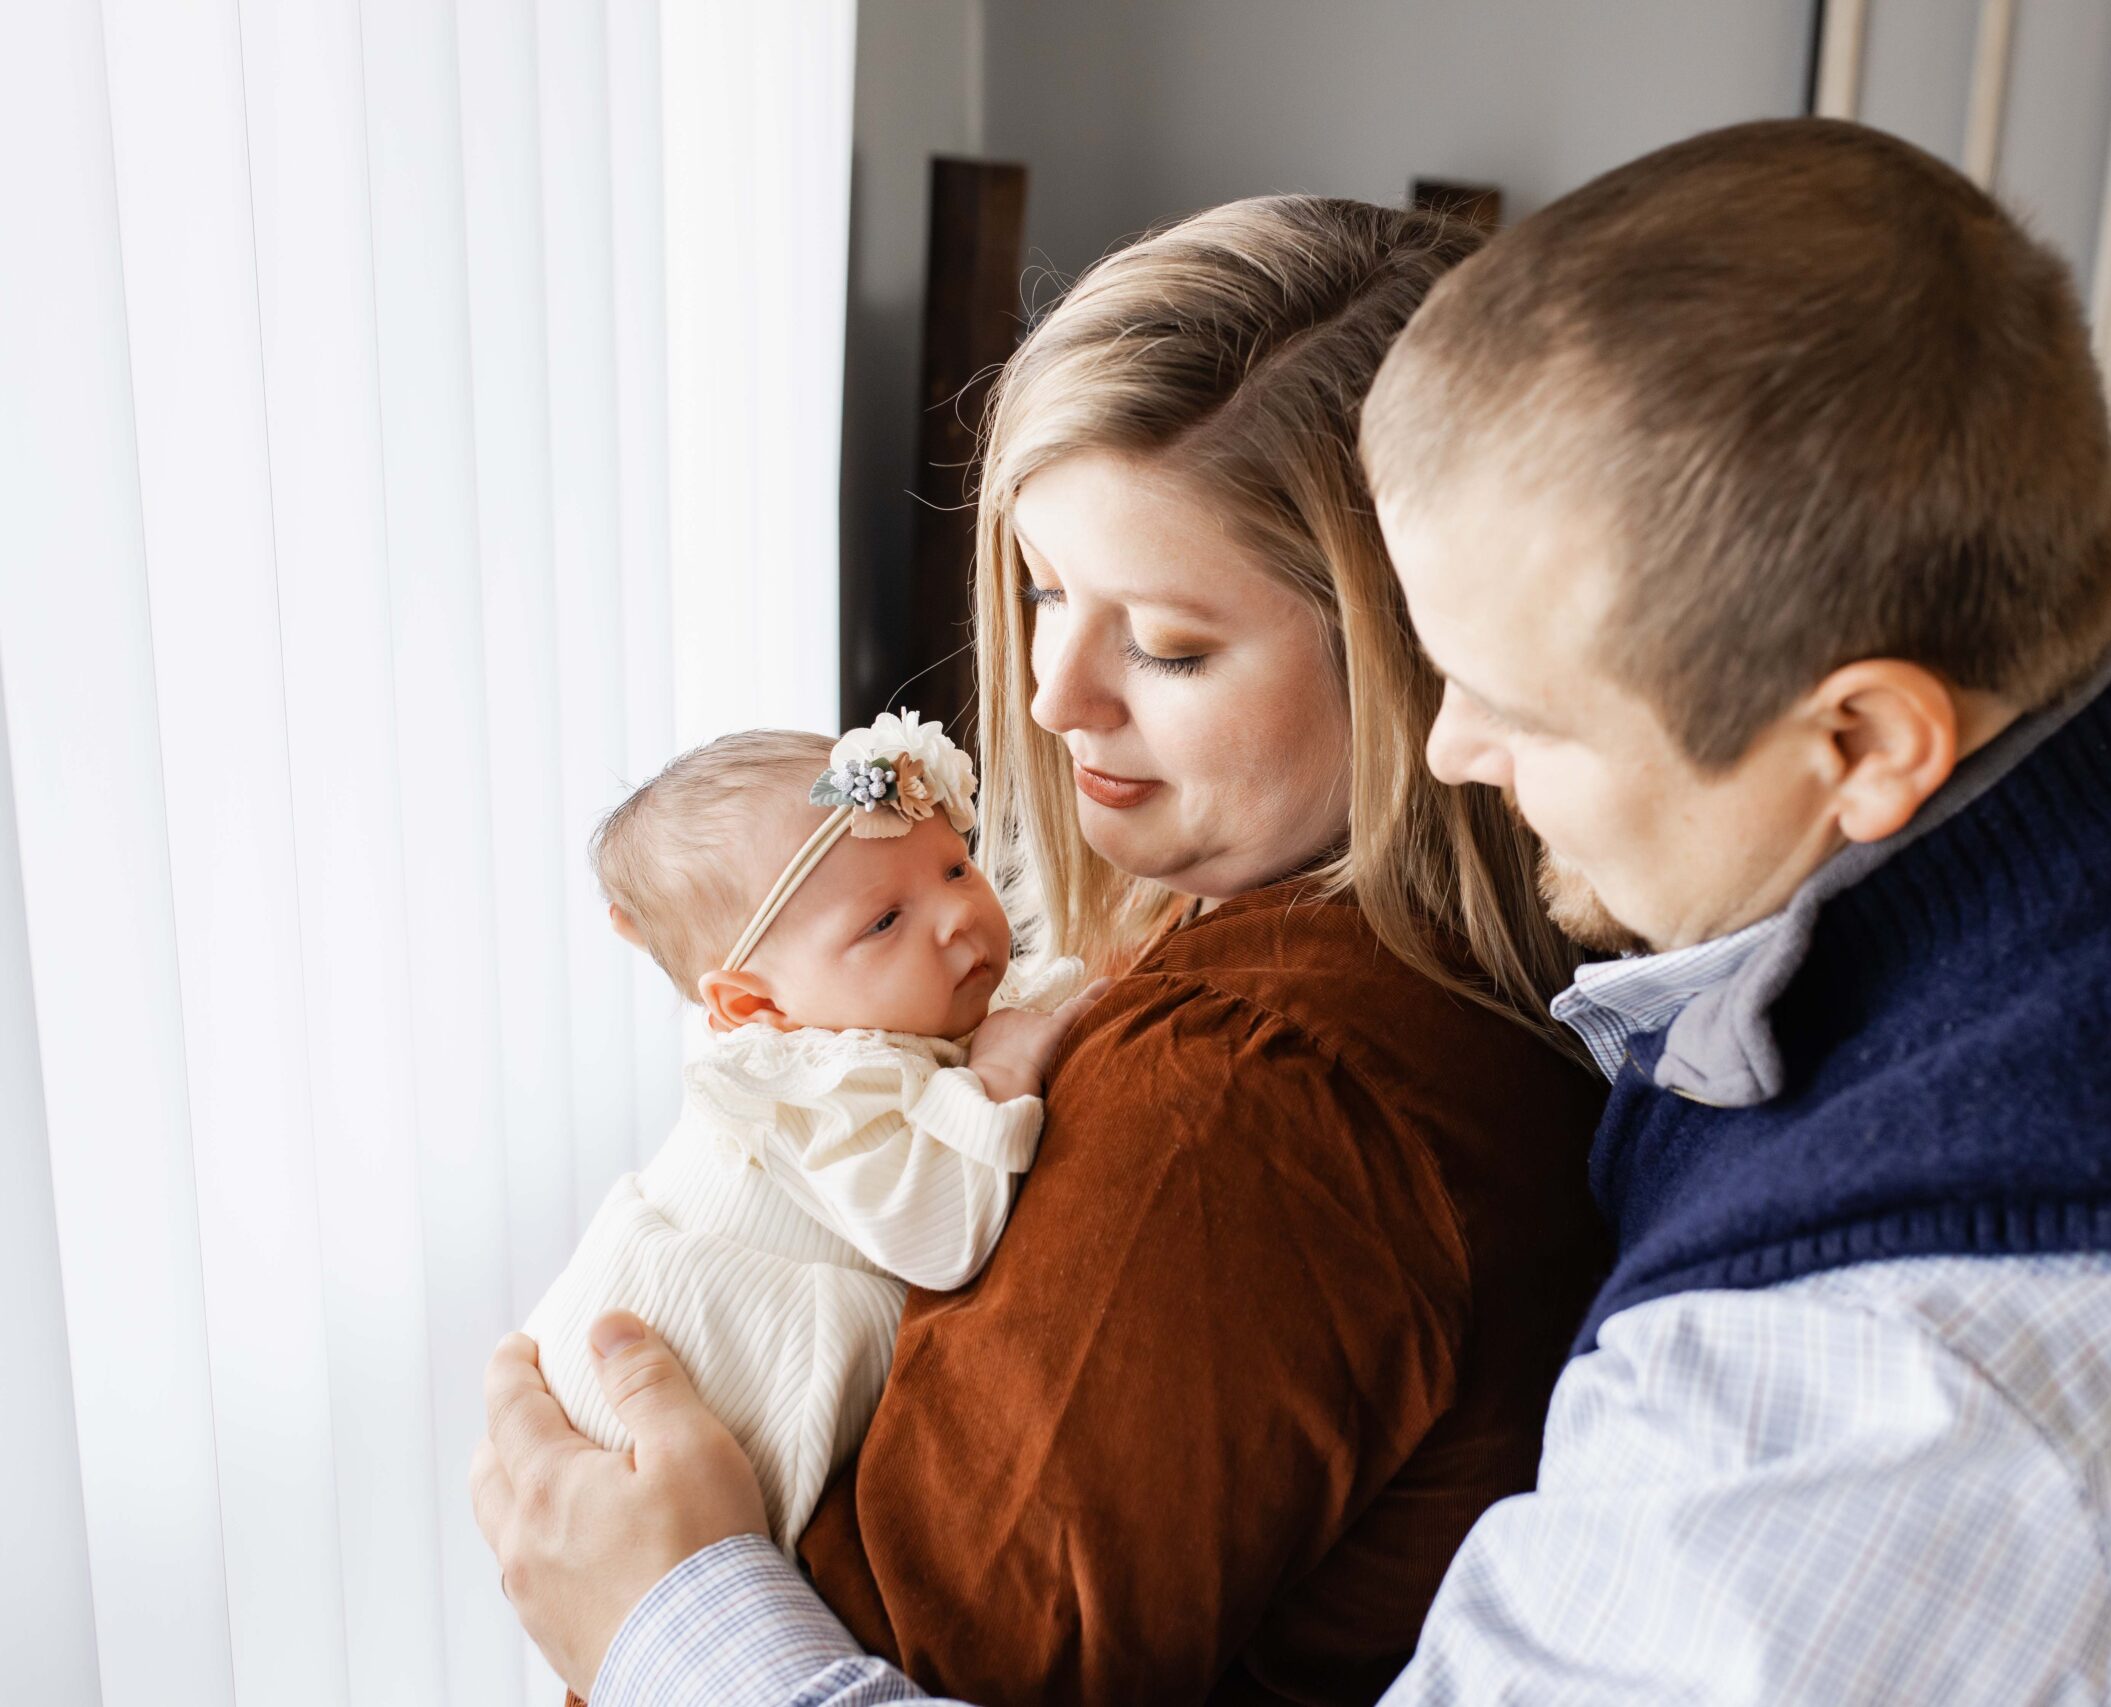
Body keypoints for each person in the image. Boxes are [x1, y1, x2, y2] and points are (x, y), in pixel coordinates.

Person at [479, 122, 2111, 1703]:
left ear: (1859, 740)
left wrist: (671, 1622)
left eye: (1519, 707)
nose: (1449, 750)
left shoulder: (1904, 1382)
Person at [477, 195, 1607, 1705]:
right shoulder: (1293, 949)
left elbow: (934, 1657)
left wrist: (642, 1613)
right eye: (1044, 589)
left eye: (1170, 645)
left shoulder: (1253, 1095)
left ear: (1419, 656)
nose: (1053, 697)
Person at [523, 715, 1098, 1549]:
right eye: (884, 921)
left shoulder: (891, 1013)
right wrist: (1004, 1070)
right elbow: (942, 1235)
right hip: (654, 1390)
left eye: (955, 866)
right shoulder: (811, 1084)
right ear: (757, 1006)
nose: (956, 915)